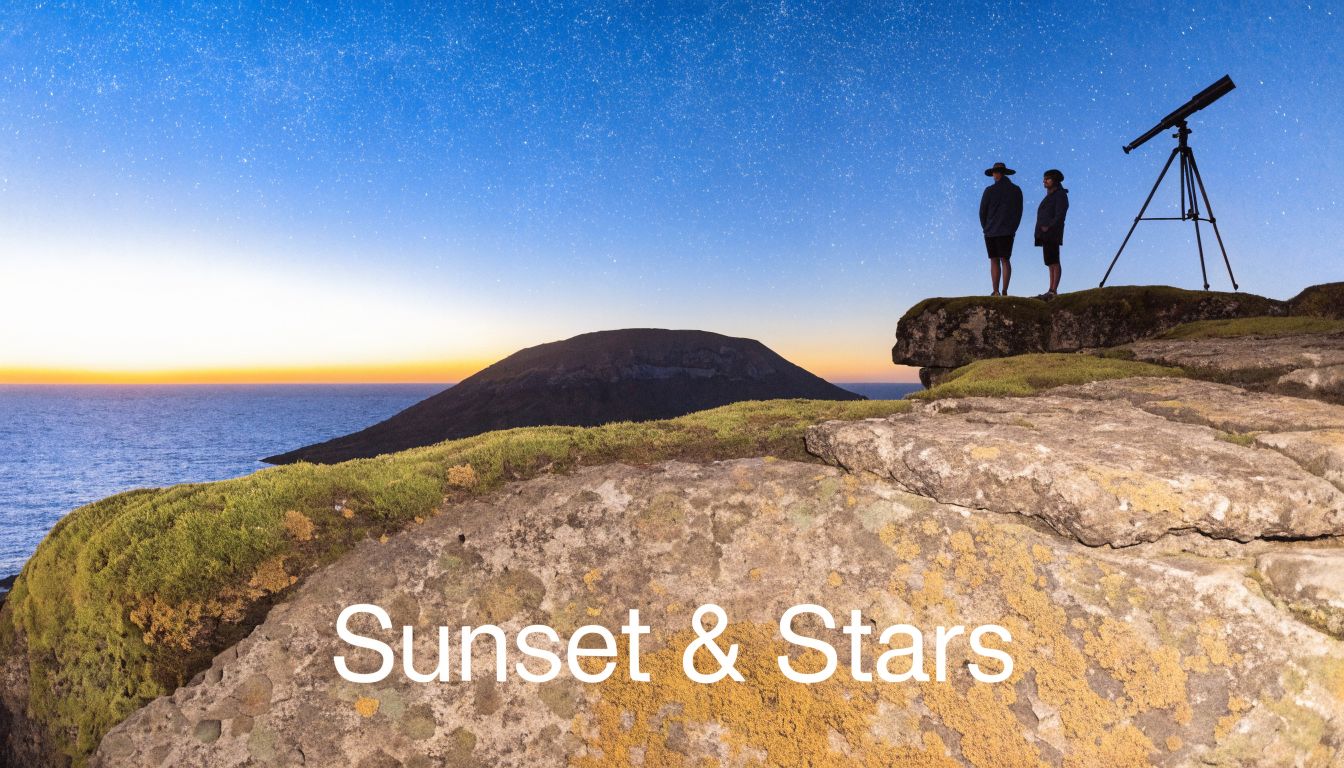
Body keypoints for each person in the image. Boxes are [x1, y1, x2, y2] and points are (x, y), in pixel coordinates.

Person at [979, 162, 1023, 296]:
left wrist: (986, 227)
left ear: (999, 173)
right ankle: (1002, 291)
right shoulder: (1015, 190)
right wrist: (1013, 227)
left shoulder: (990, 190)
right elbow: (1018, 211)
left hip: (992, 230)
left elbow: (982, 212)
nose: (994, 175)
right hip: (1006, 230)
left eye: (995, 172)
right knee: (1004, 259)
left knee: (995, 259)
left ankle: (997, 291)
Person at [1034, 168, 1069, 300]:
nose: (1044, 181)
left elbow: (1060, 214)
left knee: (1054, 261)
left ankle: (1053, 290)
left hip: (1052, 232)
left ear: (1054, 180)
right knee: (1050, 262)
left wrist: (1049, 227)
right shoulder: (1051, 195)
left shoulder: (1060, 195)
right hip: (1045, 233)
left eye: (1047, 179)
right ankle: (1051, 289)